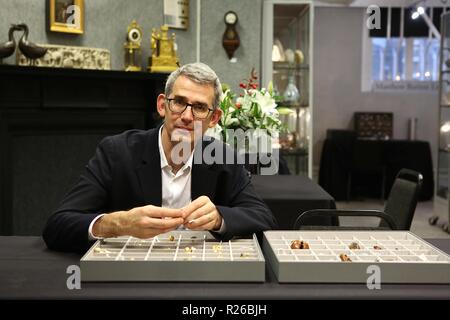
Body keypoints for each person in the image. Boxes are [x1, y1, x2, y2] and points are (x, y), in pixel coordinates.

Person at [43, 62, 277, 253]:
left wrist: (219, 218)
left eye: (199, 108)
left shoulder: (223, 157)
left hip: (202, 277)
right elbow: (57, 226)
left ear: (213, 118)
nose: (186, 116)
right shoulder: (117, 152)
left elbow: (264, 219)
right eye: (179, 103)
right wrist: (119, 224)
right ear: (162, 105)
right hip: (131, 276)